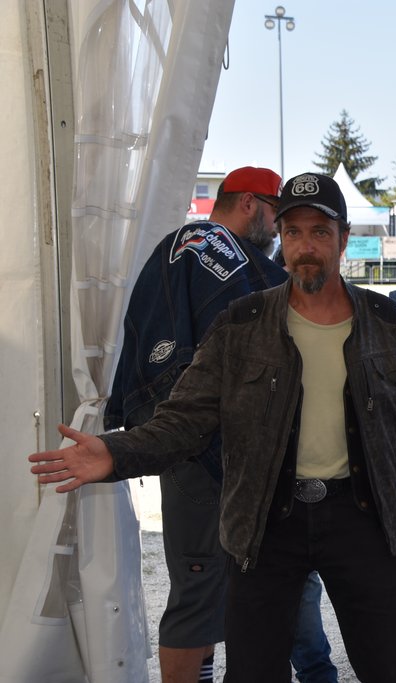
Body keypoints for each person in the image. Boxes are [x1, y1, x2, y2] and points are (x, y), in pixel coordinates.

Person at [31, 172, 396, 683]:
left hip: (361, 516)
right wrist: (116, 453)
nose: (305, 247)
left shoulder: (386, 323)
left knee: (394, 669)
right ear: (281, 237)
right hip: (265, 521)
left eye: (319, 232)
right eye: (293, 232)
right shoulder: (241, 323)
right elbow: (184, 420)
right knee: (253, 671)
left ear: (343, 239)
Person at [103, 166, 334, 683]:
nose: (278, 231)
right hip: (209, 450)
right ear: (250, 203)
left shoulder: (181, 245)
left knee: (215, 590)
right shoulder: (223, 250)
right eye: (277, 216)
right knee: (204, 590)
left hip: (185, 442)